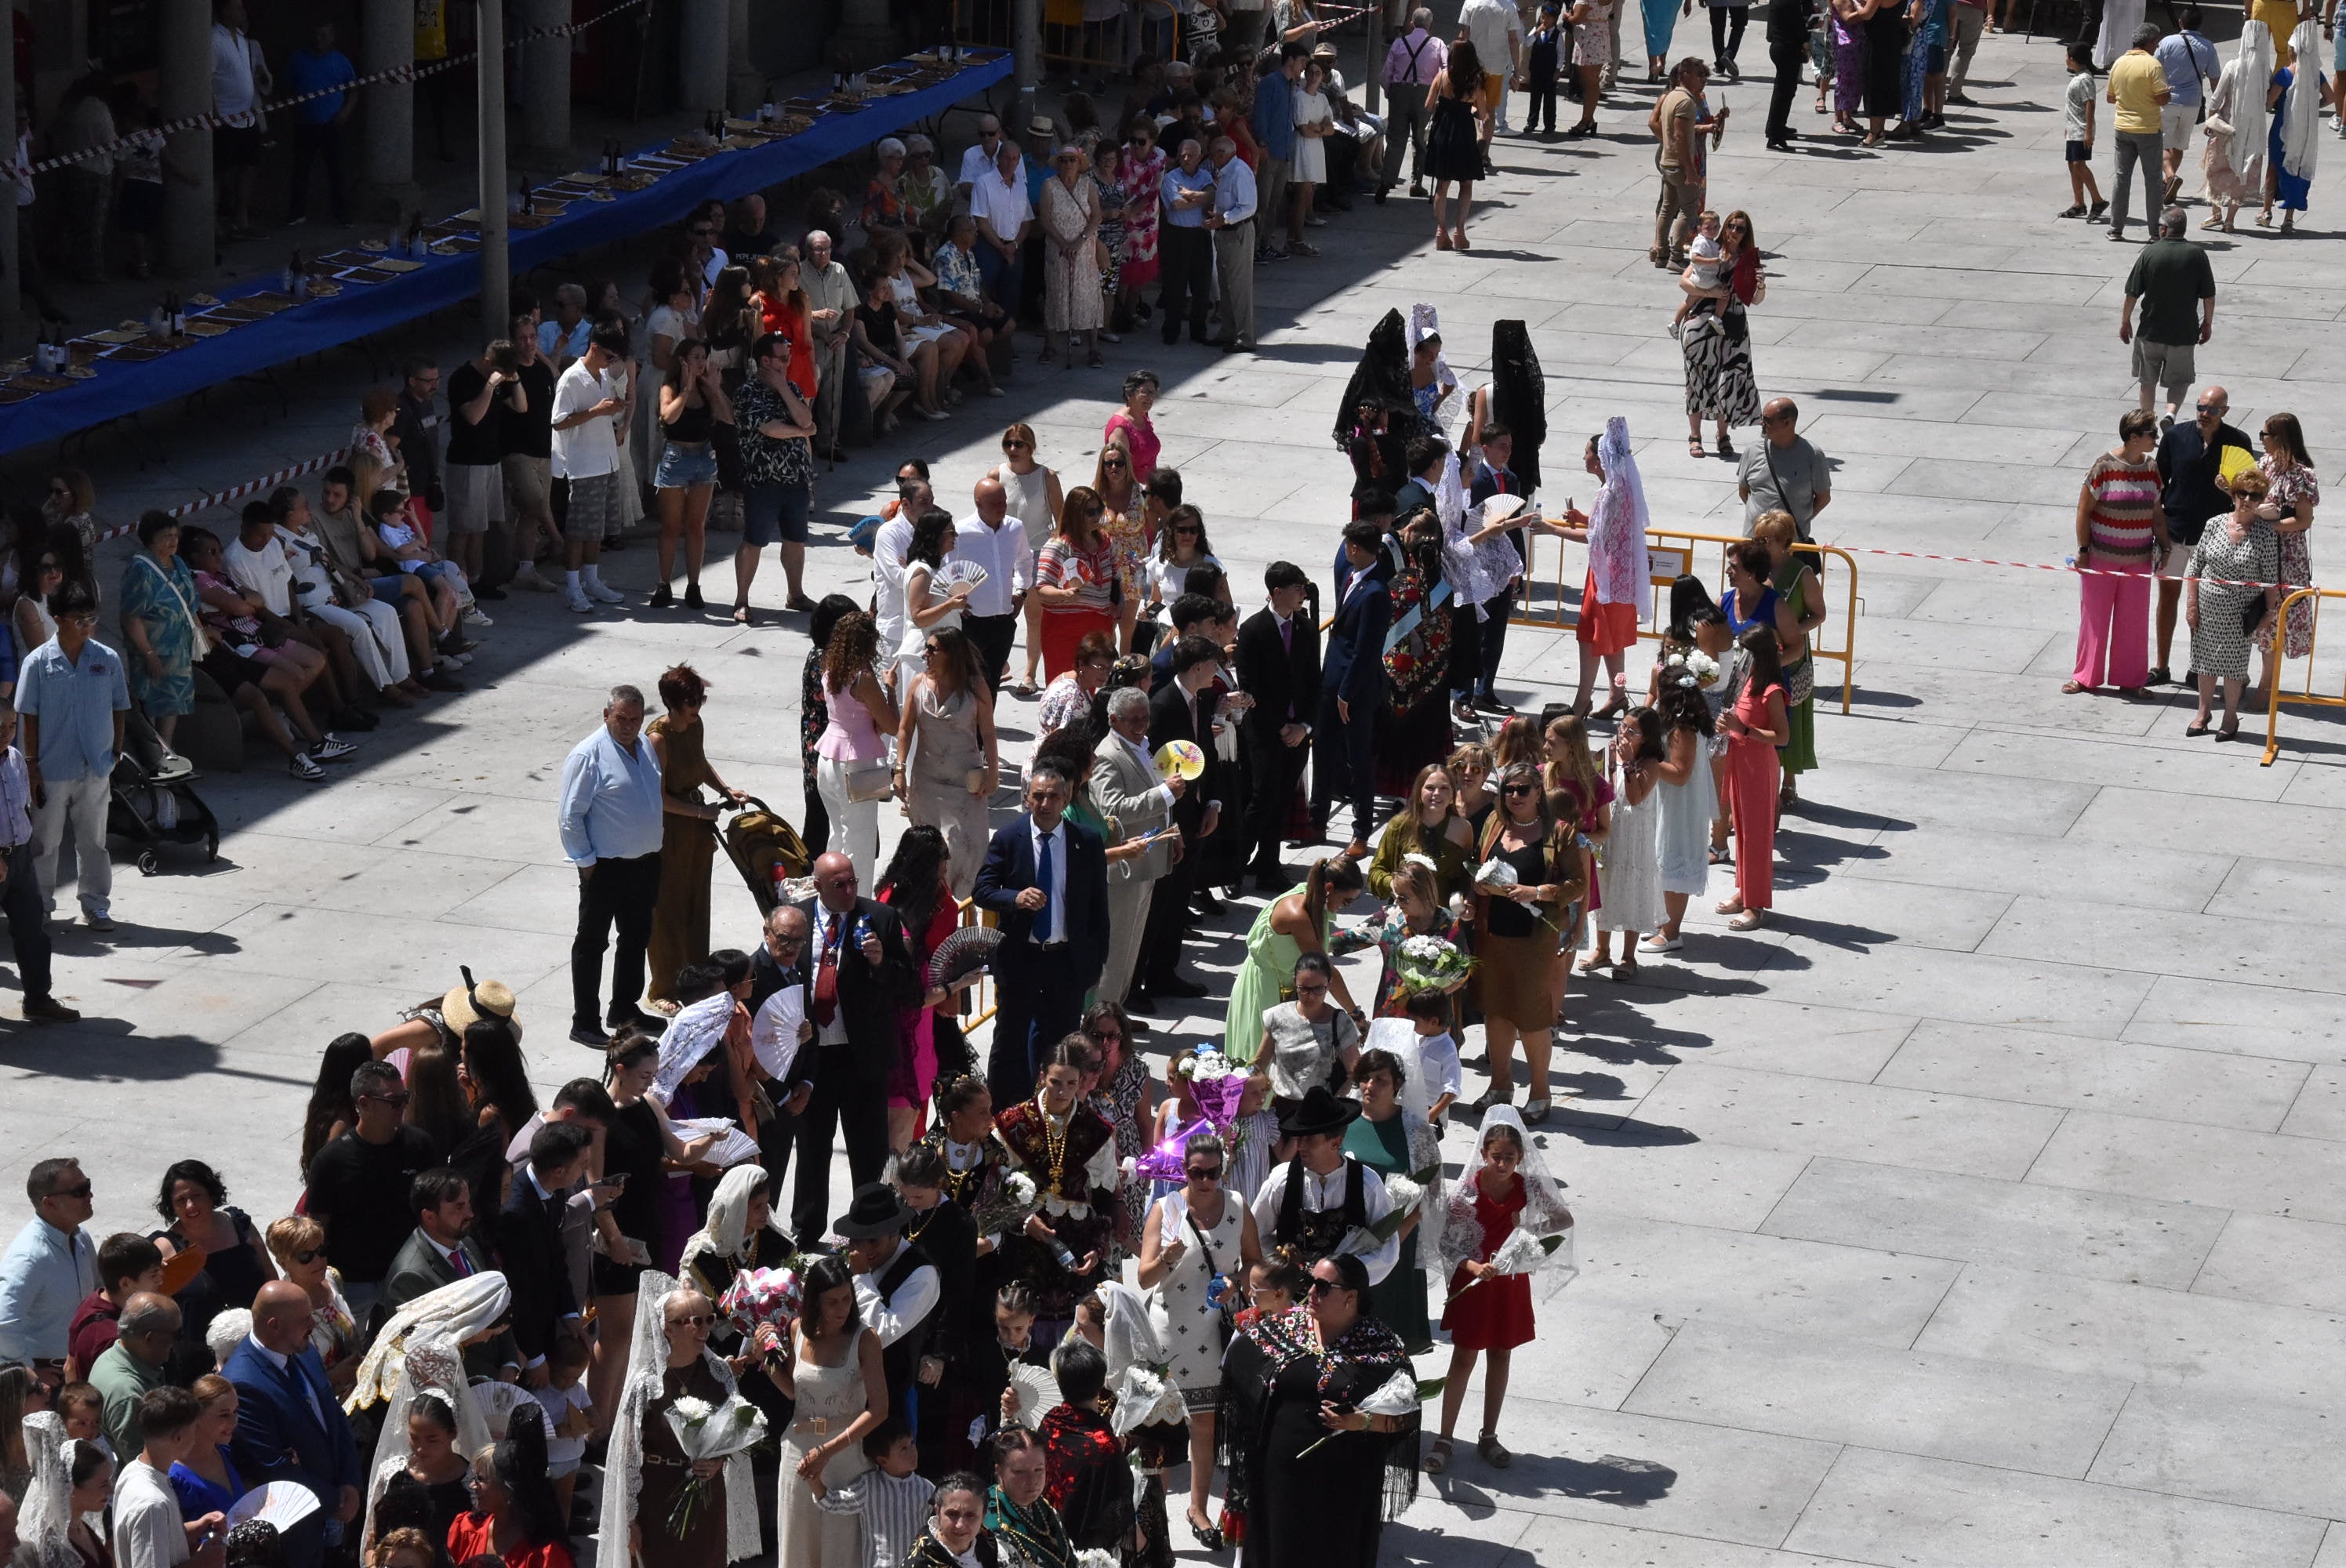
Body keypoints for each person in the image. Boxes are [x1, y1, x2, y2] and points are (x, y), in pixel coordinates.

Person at [1218, 1252, 1417, 1566]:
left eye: (1323, 1287)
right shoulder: (1285, 1328)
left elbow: (1406, 1418)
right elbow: (1238, 1363)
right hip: (1279, 1479)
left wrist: (1360, 1422)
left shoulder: (1380, 1347)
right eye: (1310, 1282)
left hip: (1342, 1487)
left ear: (1351, 1297)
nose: (1311, 1292)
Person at [1427, 1107, 1572, 1474]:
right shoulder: (1467, 1192)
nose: (1503, 1163)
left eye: (1510, 1158)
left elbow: (1563, 1218)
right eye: (1497, 1157)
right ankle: (1445, 1437)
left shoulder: (1527, 1186)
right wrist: (1472, 1265)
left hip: (1508, 1281)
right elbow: (1445, 1242)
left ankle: (1489, 1434)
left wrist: (1526, 1236)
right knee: (1463, 1358)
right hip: (1475, 1282)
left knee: (1501, 1356)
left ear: (1520, 1158)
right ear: (1484, 1154)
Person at [791, 852, 920, 1247]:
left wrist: (882, 963)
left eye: (853, 882)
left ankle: (872, 1229)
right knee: (812, 1149)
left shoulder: (880, 919)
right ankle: (807, 1231)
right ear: (818, 887)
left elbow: (910, 988)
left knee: (869, 1150)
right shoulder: (796, 920)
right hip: (815, 1056)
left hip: (862, 1058)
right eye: (839, 885)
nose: (849, 892)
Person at [974, 769, 1111, 1105]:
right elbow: (982, 889)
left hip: (1065, 961)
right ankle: (1006, 1114)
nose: (1044, 803)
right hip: (1022, 959)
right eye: (1038, 796)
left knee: (1061, 1045)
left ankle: (1055, 1112)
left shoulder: (1086, 842)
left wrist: (1095, 964)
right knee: (1010, 1041)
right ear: (1026, 797)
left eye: (1052, 796)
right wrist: (1015, 898)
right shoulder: (1009, 838)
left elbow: (1098, 909)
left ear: (1066, 800)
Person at [1472, 764, 1585, 1120]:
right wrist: (1475, 891)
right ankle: (1500, 1085)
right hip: (1492, 934)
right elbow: (1478, 867)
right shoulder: (1493, 824)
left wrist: (1537, 892)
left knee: (1533, 1017)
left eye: (1523, 789)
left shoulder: (1560, 833)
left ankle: (1540, 1092)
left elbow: (1578, 885)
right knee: (1496, 1011)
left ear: (1539, 791)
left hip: (1535, 939)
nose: (1514, 796)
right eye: (1508, 789)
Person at [223, 1283, 364, 1568]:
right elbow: (273, 1467)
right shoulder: (242, 1383)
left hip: (337, 1507)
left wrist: (351, 1480)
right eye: (305, 1319)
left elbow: (334, 1415)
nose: (314, 1324)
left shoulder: (303, 1349)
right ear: (274, 1326)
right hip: (297, 1533)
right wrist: (336, 1499)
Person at [558, 685, 665, 1047]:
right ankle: (584, 1021)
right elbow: (570, 816)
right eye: (621, 719)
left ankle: (624, 1008)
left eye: (636, 719)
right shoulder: (588, 755)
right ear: (607, 715)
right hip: (605, 867)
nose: (629, 726)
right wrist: (587, 864)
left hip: (645, 864)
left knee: (636, 938)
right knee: (592, 943)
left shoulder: (645, 746)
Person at [302, 1060, 438, 1322]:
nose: (402, 1107)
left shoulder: (420, 1146)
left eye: (404, 1098)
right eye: (393, 1101)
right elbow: (318, 1227)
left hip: (410, 1276)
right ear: (363, 1103)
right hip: (354, 1285)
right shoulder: (331, 1161)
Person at [645, 665, 745, 1007]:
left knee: (696, 904)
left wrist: (726, 790)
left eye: (700, 699)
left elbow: (700, 764)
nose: (697, 707)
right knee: (667, 908)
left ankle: (695, 980)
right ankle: (663, 988)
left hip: (695, 827)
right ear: (673, 703)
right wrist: (702, 813)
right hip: (669, 829)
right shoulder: (657, 738)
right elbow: (658, 798)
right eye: (691, 702)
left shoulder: (695, 725)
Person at [2066, 409, 2172, 697]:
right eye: (2152, 433)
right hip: (2101, 557)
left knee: (2134, 623)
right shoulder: (2103, 467)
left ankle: (2131, 679)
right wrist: (2084, 551)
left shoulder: (2151, 468)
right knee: (2094, 620)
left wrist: (2165, 545)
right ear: (2134, 437)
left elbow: (2157, 513)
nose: (2156, 438)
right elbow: (2084, 511)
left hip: (2138, 559)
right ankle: (2085, 677)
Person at [2152, 384, 2253, 684]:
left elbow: (2248, 494)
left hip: (2215, 536)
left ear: (2225, 412)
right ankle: (2161, 666)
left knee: (2204, 605)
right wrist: (2158, 529)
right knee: (2168, 597)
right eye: (2200, 407)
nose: (2204, 414)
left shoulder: (2238, 441)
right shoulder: (2175, 437)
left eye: (2211, 409)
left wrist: (2229, 489)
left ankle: (2199, 669)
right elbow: (2159, 483)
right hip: (2175, 531)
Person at [2184, 466, 2282, 742]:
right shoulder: (2214, 523)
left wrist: (2270, 613)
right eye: (2241, 493)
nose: (2246, 500)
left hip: (2241, 613)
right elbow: (2195, 566)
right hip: (2208, 606)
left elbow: (2271, 579)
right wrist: (2191, 603)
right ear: (2233, 494)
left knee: (2234, 665)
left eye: (2254, 495)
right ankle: (2203, 713)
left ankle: (2230, 716)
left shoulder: (2265, 533)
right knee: (2204, 662)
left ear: (2261, 498)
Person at [1314, 519, 1393, 858]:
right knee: (1323, 751)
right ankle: (1316, 820)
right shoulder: (1353, 578)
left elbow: (1366, 650)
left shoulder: (1375, 592)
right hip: (1332, 681)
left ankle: (1360, 831)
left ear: (1355, 548)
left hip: (1355, 691)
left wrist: (1346, 692)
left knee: (1359, 759)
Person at [1716, 625, 1790, 930]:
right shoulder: (1747, 681)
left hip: (1758, 766)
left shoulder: (1772, 690)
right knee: (1742, 830)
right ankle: (1744, 889)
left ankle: (1756, 904)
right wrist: (1728, 724)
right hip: (1739, 759)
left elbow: (1782, 736)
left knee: (1758, 836)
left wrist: (1744, 729)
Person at [649, 338, 728, 612]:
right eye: (695, 357)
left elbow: (729, 418)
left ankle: (693, 586)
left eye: (703, 357)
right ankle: (664, 583)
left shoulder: (707, 389)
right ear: (683, 360)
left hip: (704, 457)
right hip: (676, 457)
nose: (700, 362)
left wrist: (715, 390)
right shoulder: (670, 387)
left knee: (696, 526)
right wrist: (686, 389)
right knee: (671, 526)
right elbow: (667, 417)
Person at [150, 1160, 274, 1334]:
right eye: (181, 1200)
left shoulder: (241, 1226)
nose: (190, 1206)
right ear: (171, 1206)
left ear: (211, 1193)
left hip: (255, 1338)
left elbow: (271, 1278)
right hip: (196, 1353)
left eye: (196, 1195)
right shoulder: (163, 1248)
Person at [1752, 511, 1824, 805]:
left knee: (1790, 715)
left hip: (1790, 657)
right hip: (1759, 654)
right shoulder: (1754, 570)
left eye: (1766, 541)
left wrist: (1792, 631)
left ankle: (1789, 780)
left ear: (1784, 542)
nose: (1760, 545)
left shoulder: (1802, 574)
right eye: (1757, 539)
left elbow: (1818, 614)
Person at [112, 1387, 226, 1568]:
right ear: (178, 1437)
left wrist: (195, 1528)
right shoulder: (152, 1505)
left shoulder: (132, 1470)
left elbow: (158, 1541)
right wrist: (202, 1562)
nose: (196, 1436)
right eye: (194, 1429)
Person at [2122, 209, 2216, 423]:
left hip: (2150, 331)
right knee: (2180, 381)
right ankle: (2170, 415)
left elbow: (2131, 294)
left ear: (2164, 229)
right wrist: (2207, 323)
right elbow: (2209, 296)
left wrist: (2125, 321)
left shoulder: (2149, 253)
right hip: (2183, 333)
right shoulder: (2197, 254)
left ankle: (2147, 422)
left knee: (2147, 382)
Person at [446, 1417, 572, 1568]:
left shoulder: (544, 1555)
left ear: (508, 1491)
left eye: (481, 1479)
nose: (472, 1485)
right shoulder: (467, 1529)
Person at [262, 1218, 360, 1394]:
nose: (318, 1261)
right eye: (305, 1257)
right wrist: (335, 1376)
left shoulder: (332, 1277)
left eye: (321, 1250)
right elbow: (289, 1381)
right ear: (283, 1263)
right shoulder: (284, 1308)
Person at [2107, 24, 2173, 239]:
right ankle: (2155, 232)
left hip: (2122, 128)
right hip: (2148, 128)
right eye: (2157, 42)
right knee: (2153, 181)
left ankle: (2115, 228)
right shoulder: (2152, 65)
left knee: (2121, 178)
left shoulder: (2119, 63)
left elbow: (2110, 97)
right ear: (2151, 42)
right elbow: (2162, 98)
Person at [90, 1294, 177, 1457]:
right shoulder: (128, 1394)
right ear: (150, 1338)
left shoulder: (114, 1354)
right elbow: (143, 1460)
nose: (175, 1345)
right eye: (174, 1336)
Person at [1738, 397, 1832, 545]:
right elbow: (1744, 491)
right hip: (1754, 544)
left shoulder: (1812, 455)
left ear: (1787, 423)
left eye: (1768, 420)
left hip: (1790, 546)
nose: (1762, 423)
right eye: (1762, 418)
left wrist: (1799, 520)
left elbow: (1823, 497)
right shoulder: (1752, 451)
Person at [1424, 39, 1489, 249]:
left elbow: (1428, 105)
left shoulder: (1442, 76)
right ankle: (1460, 231)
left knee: (1442, 185)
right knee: (1466, 183)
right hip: (1463, 131)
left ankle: (1440, 231)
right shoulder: (1476, 82)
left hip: (1442, 130)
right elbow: (1483, 113)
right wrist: (1468, 109)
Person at [2155, 9, 2221, 200]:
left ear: (2180, 23)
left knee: (2162, 145)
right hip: (2192, 103)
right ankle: (2169, 185)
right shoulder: (2208, 47)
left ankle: (2170, 176)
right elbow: (2215, 79)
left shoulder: (2167, 42)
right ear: (2200, 25)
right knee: (2179, 145)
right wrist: (2215, 110)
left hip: (2168, 100)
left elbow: (2153, 68)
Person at [1382, 10, 1447, 198]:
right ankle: (1416, 182)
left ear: (1411, 23)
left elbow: (1387, 72)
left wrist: (1389, 91)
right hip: (1425, 93)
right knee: (1420, 138)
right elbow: (1445, 70)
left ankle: (1387, 180)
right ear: (1431, 24)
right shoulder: (1438, 44)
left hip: (1399, 90)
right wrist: (1440, 93)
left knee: (1395, 138)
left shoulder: (1399, 42)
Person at [1204, 138, 1258, 353]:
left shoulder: (1239, 172)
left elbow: (1248, 207)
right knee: (1226, 287)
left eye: (1211, 155)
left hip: (1237, 233)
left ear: (1220, 153)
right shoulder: (1226, 172)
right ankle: (1228, 331)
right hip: (1224, 233)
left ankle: (1246, 337)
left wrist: (1223, 218)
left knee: (1239, 287)